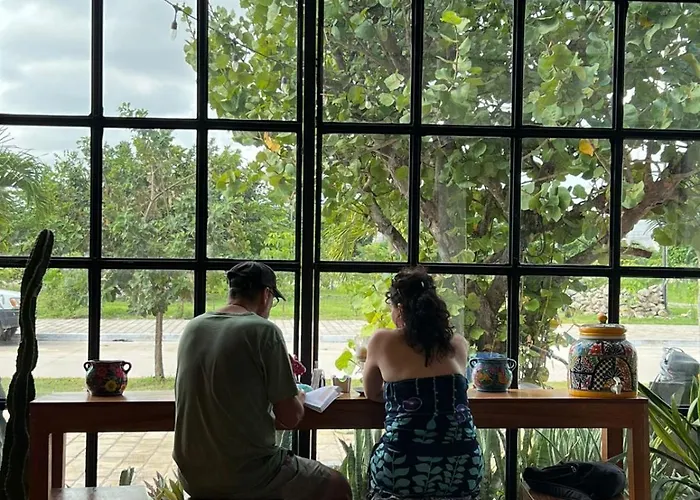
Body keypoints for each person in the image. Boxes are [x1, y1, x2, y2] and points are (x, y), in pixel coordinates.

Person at [173, 261, 351, 500]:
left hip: (192, 475)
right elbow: (290, 417)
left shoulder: (194, 327)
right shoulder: (264, 330)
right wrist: (298, 395)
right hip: (248, 473)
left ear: (232, 291)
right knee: (337, 485)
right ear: (266, 294)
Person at [363, 267, 483, 500]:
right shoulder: (458, 344)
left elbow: (372, 392)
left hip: (401, 464)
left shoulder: (382, 340)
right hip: (464, 467)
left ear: (399, 309)